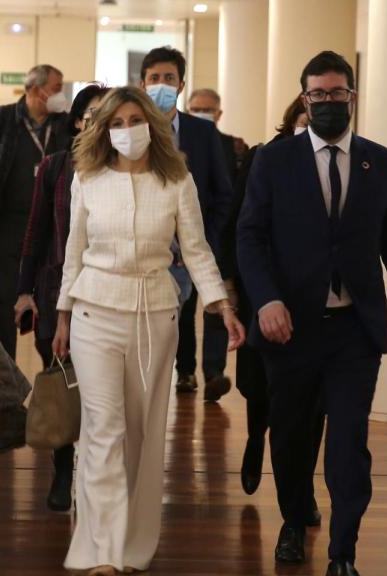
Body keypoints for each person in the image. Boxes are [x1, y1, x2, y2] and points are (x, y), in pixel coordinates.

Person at [237, 51, 387, 576]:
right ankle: (292, 521)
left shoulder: (380, 162)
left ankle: (343, 551)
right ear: (305, 99)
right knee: (291, 434)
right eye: (318, 94)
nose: (328, 102)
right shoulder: (274, 160)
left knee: (348, 442)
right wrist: (266, 299)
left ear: (352, 97)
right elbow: (249, 236)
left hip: (354, 330)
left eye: (337, 93)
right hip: (290, 328)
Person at [51, 86, 245, 575]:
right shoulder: (87, 179)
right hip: (94, 311)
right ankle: (103, 551)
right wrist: (63, 314)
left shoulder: (176, 180)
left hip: (155, 315)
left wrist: (221, 305)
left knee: (142, 432)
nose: (126, 130)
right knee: (103, 429)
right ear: (103, 130)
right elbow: (74, 251)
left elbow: (196, 249)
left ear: (152, 125)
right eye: (116, 123)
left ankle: (134, 544)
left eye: (134, 120)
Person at [220, 97, 324, 518]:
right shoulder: (264, 158)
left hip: (313, 302)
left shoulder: (338, 164)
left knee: (309, 402)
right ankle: (254, 440)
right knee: (259, 384)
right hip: (260, 289)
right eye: (303, 120)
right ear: (290, 122)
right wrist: (229, 283)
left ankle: (303, 493)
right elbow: (237, 223)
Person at [14, 83, 109, 513]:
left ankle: (95, 473)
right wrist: (24, 292)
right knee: (62, 381)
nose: (100, 121)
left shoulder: (128, 168)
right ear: (77, 121)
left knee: (102, 388)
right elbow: (35, 231)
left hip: (107, 294)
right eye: (92, 114)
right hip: (57, 292)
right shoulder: (55, 166)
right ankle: (63, 468)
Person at [139, 47, 234, 402]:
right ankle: (165, 377)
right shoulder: (131, 128)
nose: (161, 84)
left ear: (181, 85)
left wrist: (206, 240)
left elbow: (222, 193)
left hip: (193, 245)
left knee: (192, 308)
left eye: (169, 78)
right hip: (148, 249)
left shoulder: (203, 133)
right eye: (154, 78)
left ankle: (191, 373)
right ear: (142, 83)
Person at [0, 64, 72, 360]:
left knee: (47, 300)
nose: (61, 94)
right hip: (7, 226)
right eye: (57, 87)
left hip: (50, 228)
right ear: (37, 90)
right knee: (7, 302)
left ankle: (52, 368)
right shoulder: (1, 119)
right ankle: (7, 373)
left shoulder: (64, 123)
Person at [187, 87, 249, 185]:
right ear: (188, 112)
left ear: (219, 114)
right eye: (196, 110)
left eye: (207, 110)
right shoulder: (175, 143)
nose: (201, 114)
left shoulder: (236, 147)